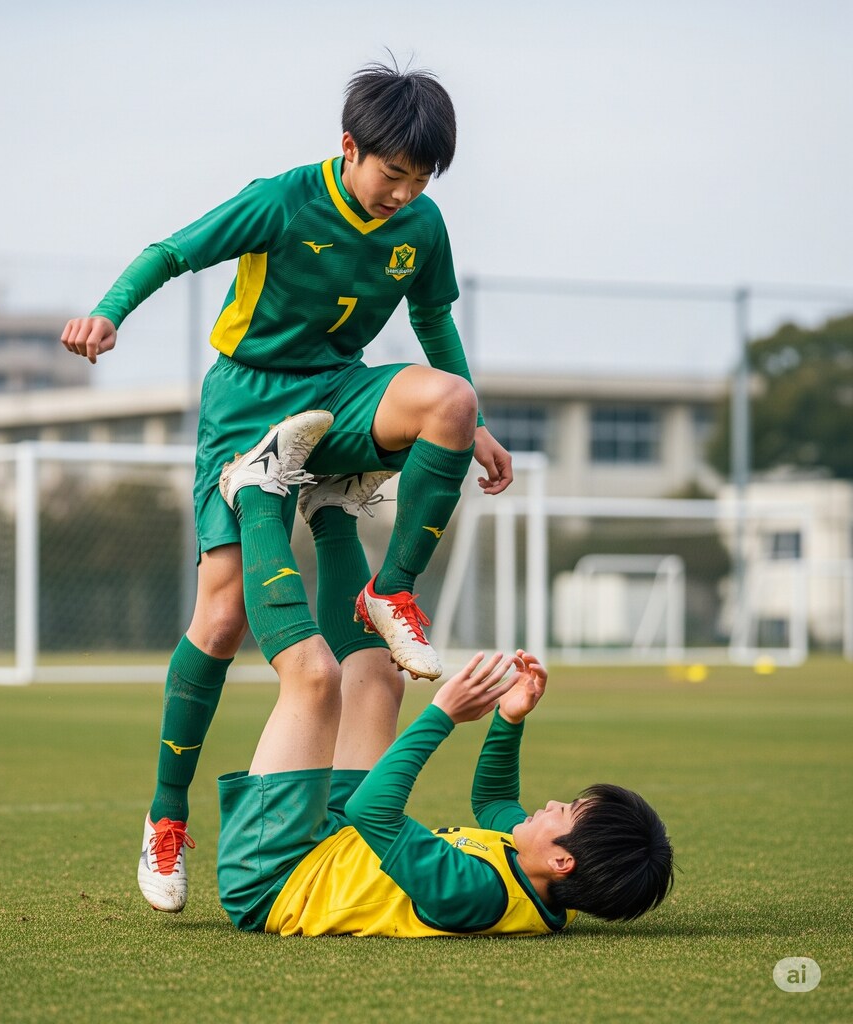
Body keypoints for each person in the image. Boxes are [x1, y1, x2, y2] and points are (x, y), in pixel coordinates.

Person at [61, 59, 513, 913]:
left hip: (337, 393)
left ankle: (394, 593)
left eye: (421, 179)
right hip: (247, 402)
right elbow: (174, 251)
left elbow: (431, 321)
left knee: (450, 403)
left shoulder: (424, 224)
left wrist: (477, 428)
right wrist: (109, 314)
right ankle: (165, 816)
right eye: (392, 173)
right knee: (223, 619)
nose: (403, 193)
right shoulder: (284, 198)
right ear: (350, 148)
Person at [218, 650, 675, 936]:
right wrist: (509, 719)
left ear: (563, 861)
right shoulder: (553, 889)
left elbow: (371, 811)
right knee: (379, 673)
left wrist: (443, 715)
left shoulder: (476, 893)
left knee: (313, 677)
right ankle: (333, 513)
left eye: (568, 812)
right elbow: (494, 804)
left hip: (277, 877)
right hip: (335, 843)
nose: (555, 803)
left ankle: (255, 500)